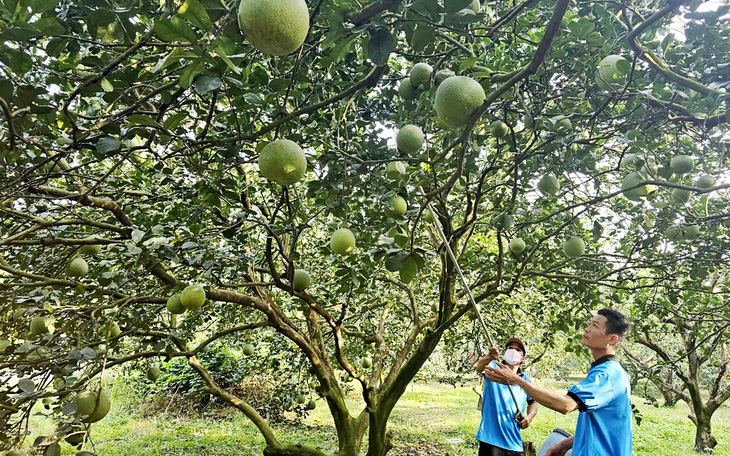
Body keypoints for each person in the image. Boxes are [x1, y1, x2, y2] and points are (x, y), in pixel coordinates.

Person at [483, 309, 632, 456]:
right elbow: (603, 428)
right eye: (589, 324)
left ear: (612, 339)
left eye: (595, 326)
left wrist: (516, 380)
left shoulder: (607, 375)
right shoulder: (605, 371)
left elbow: (566, 405)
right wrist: (565, 444)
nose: (587, 329)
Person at [471, 337, 539, 456]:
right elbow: (479, 367)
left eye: (518, 350)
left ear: (522, 358)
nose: (513, 351)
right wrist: (489, 356)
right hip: (491, 440)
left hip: (514, 442)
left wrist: (529, 417)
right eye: (510, 348)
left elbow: (533, 402)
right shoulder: (494, 368)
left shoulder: (524, 379)